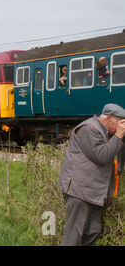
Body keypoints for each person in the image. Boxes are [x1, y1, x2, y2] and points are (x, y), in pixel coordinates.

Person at [58, 103, 125, 246]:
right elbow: (101, 156)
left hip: (93, 191)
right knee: (73, 236)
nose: (121, 128)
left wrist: (120, 137)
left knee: (93, 231)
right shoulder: (88, 129)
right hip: (79, 189)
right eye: (120, 124)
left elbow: (118, 163)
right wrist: (118, 136)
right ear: (108, 118)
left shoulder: (107, 131)